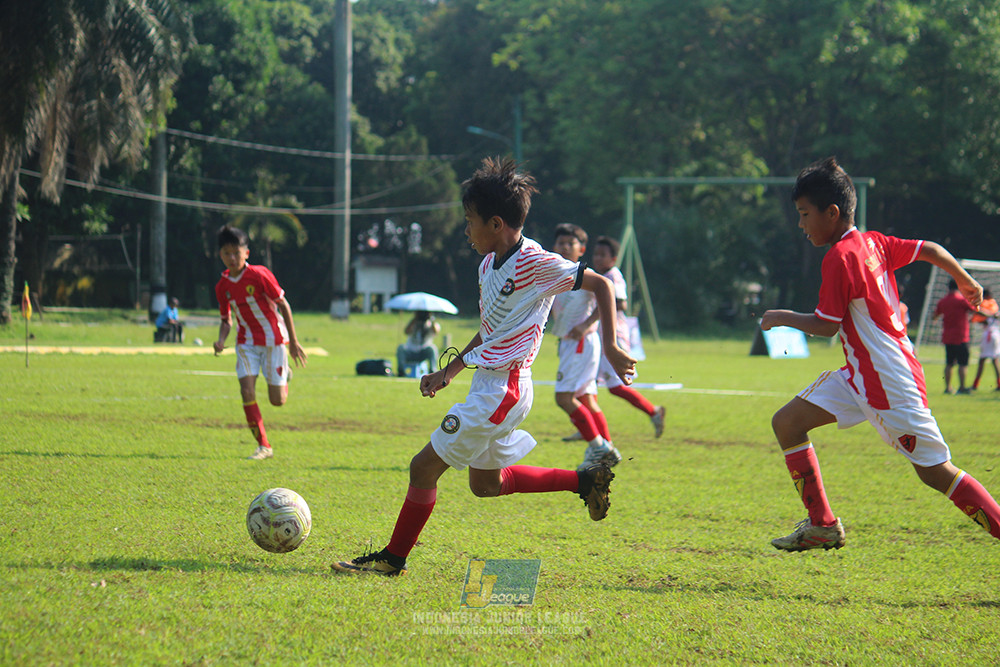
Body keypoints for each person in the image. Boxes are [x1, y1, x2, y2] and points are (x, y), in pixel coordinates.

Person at [331, 157, 636, 576]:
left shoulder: (536, 262)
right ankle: (585, 480)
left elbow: (600, 283)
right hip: (490, 387)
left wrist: (613, 347)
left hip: (505, 389)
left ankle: (392, 559)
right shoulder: (486, 264)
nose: (466, 229)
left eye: (470, 220)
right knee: (485, 485)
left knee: (422, 468)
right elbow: (491, 330)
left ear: (496, 223)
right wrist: (450, 371)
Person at [760, 156, 1000, 552]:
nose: (801, 224)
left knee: (936, 473)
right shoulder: (873, 242)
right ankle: (822, 525)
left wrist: (783, 316)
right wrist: (964, 279)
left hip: (888, 381)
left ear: (831, 213)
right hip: (860, 375)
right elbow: (931, 249)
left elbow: (827, 325)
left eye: (804, 214)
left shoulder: (840, 257)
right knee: (787, 423)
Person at [213, 225, 307, 460]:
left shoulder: (260, 274)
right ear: (220, 255)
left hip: (274, 340)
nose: (232, 258)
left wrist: (293, 342)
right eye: (227, 253)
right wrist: (221, 340)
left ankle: (284, 375)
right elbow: (227, 319)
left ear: (246, 252)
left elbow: (283, 305)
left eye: (236, 252)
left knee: (277, 401)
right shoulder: (222, 287)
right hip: (246, 344)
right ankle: (264, 446)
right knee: (246, 391)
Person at [570, 235, 666, 438]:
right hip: (596, 338)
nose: (598, 258)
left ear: (613, 259)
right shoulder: (595, 275)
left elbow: (620, 302)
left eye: (603, 255)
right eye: (596, 254)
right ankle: (588, 427)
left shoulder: (613, 275)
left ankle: (653, 411)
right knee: (588, 384)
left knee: (615, 387)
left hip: (614, 337)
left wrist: (588, 322)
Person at [548, 224, 622, 470]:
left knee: (564, 398)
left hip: (579, 342)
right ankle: (608, 446)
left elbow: (608, 298)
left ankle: (598, 447)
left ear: (581, 249)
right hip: (574, 343)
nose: (565, 247)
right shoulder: (553, 272)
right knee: (587, 400)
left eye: (571, 243)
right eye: (561, 243)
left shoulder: (584, 274)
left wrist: (586, 324)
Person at [933, 279, 976, 394]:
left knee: (949, 363)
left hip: (948, 337)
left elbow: (935, 316)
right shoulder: (961, 300)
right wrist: (990, 314)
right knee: (963, 363)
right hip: (961, 336)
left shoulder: (943, 301)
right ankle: (962, 387)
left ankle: (948, 388)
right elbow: (975, 310)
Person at [970, 289, 1000, 391]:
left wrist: (976, 311)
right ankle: (998, 384)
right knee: (995, 360)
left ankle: (975, 384)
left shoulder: (987, 304)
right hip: (995, 334)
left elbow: (981, 314)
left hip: (989, 335)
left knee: (983, 360)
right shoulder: (994, 305)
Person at [396, 310, 440, 377]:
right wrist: (415, 319)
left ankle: (432, 371)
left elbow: (436, 331)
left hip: (423, 352)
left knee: (432, 348)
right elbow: (406, 331)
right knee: (400, 348)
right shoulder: (413, 323)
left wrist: (431, 319)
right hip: (410, 351)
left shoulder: (431, 324)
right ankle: (401, 372)